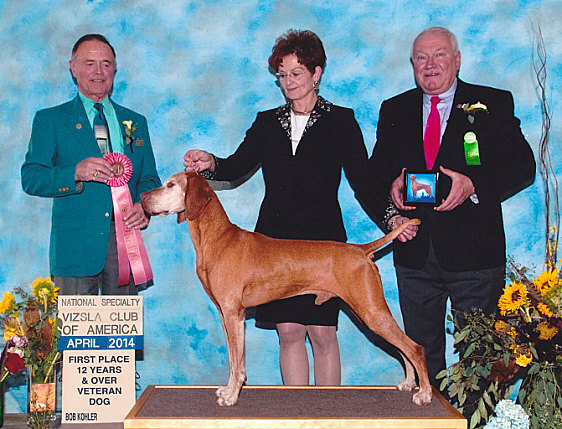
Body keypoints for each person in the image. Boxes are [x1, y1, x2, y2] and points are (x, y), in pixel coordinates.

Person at [183, 29, 372, 386]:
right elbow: (236, 166)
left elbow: (364, 181)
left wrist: (393, 216)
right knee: (288, 333)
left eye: (296, 73)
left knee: (322, 334)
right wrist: (211, 162)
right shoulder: (266, 122)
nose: (288, 82)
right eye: (281, 75)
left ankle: (328, 416)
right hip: (273, 241)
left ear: (316, 73)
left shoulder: (341, 121)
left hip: (322, 241)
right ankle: (298, 415)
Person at [368, 26, 536, 407]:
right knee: (423, 355)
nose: (430, 65)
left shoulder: (492, 102)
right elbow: (375, 176)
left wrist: (474, 184)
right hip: (413, 254)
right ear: (412, 64)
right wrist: (392, 194)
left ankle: (476, 421)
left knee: (479, 357)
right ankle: (434, 420)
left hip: (476, 256)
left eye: (439, 55)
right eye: (421, 58)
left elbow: (523, 166)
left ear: (457, 60)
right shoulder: (394, 109)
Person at [21, 34, 161, 296]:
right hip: (74, 247)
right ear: (73, 68)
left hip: (125, 245)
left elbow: (149, 179)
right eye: (89, 63)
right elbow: (30, 177)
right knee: (73, 335)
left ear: (114, 70)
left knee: (121, 335)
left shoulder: (135, 121)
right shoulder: (50, 119)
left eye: (106, 64)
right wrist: (74, 172)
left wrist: (145, 207)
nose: (99, 71)